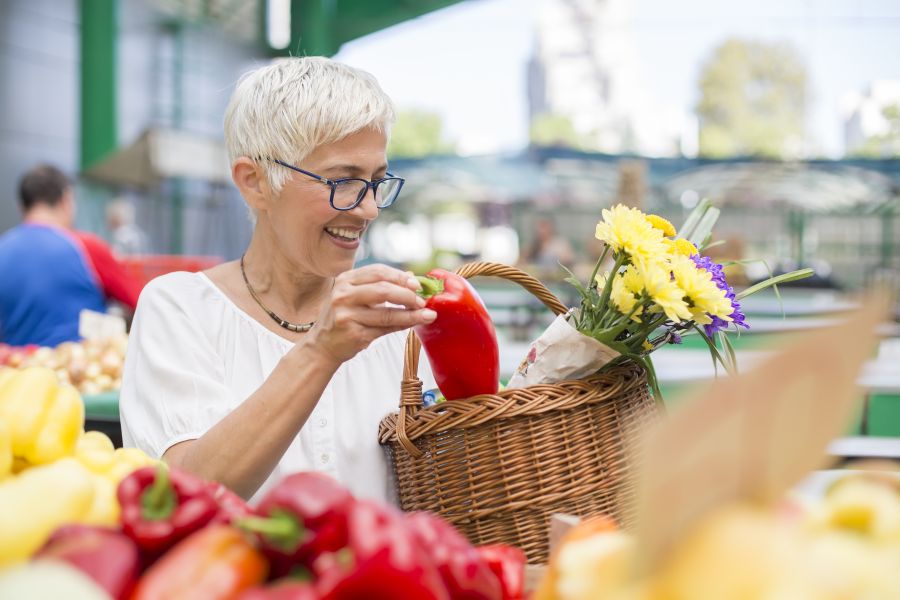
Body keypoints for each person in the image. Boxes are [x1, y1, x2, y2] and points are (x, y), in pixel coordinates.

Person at [119, 57, 438, 504]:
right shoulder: (180, 309)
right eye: (343, 181)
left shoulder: (393, 322)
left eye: (376, 182)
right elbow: (187, 496)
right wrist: (321, 352)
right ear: (255, 183)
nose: (367, 209)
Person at [0, 165, 143, 347]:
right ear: (66, 200)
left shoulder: (2, 250)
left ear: (21, 207)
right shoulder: (85, 247)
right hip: (77, 370)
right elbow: (143, 301)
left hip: (15, 371)